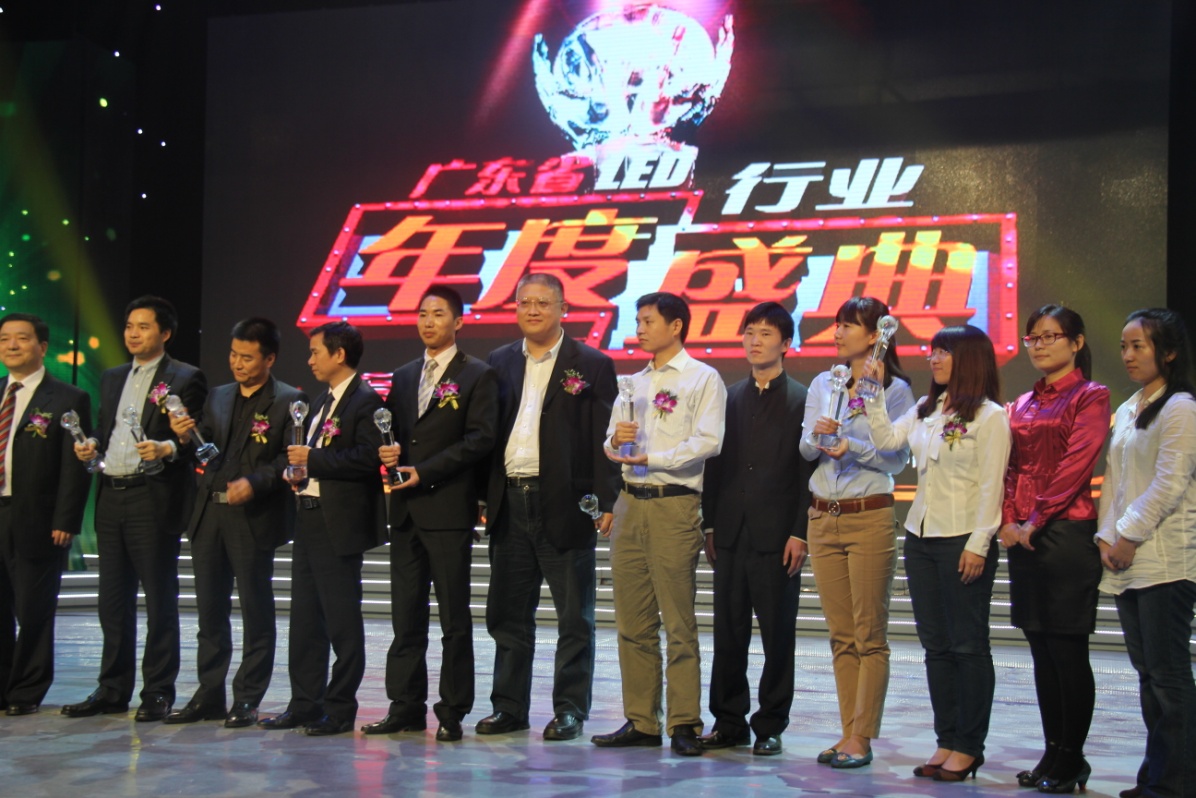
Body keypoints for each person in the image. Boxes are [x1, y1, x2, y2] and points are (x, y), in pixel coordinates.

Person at [862, 324, 1010, 782]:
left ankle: (969, 745)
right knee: (936, 647)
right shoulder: (927, 409)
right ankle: (946, 739)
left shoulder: (990, 417)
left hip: (963, 539)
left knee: (968, 645)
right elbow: (887, 441)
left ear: (970, 359)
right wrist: (873, 393)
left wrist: (979, 544)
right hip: (920, 538)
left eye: (944, 351)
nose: (934, 359)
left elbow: (992, 487)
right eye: (932, 351)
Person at [476, 274, 619, 741]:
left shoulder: (592, 364)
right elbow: (488, 433)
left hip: (566, 503)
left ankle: (570, 709)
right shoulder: (499, 361)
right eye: (524, 303)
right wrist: (483, 495)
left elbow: (602, 437)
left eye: (543, 303)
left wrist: (606, 500)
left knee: (575, 617)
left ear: (563, 309)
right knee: (508, 615)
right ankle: (508, 707)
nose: (533, 310)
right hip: (510, 500)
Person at [591, 291, 726, 757]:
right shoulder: (633, 383)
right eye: (638, 321)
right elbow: (610, 443)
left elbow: (709, 441)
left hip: (675, 504)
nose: (640, 329)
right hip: (630, 503)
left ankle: (684, 721)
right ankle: (641, 720)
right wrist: (617, 441)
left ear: (676, 326)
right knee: (632, 620)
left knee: (678, 621)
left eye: (648, 321)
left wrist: (655, 457)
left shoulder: (702, 378)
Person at [361, 287, 497, 743]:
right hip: (405, 512)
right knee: (406, 616)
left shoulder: (477, 374)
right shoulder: (403, 376)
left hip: (448, 509)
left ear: (458, 322)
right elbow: (395, 433)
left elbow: (480, 439)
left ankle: (453, 709)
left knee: (454, 619)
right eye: (422, 314)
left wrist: (426, 471)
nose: (428, 322)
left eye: (438, 314)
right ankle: (404, 706)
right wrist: (389, 453)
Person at [63, 296, 207, 722]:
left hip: (152, 495)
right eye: (129, 326)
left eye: (143, 327)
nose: (133, 333)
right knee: (112, 600)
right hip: (111, 492)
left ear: (165, 333)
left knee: (159, 598)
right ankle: (112, 689)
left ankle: (158, 692)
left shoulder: (186, 377)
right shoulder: (113, 377)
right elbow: (105, 426)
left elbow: (195, 436)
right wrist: (91, 442)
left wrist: (166, 446)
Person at [164, 318, 307, 728]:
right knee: (210, 611)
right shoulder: (218, 395)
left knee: (255, 609)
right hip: (209, 513)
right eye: (233, 355)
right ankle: (209, 694)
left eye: (247, 357)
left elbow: (287, 458)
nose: (237, 363)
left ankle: (247, 698)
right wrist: (185, 437)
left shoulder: (289, 400)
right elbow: (205, 451)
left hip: (252, 516)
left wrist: (254, 483)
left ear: (269, 358)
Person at [798, 296, 915, 769]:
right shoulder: (824, 382)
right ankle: (847, 731)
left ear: (874, 335)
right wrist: (818, 436)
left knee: (869, 634)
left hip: (869, 514)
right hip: (822, 515)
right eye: (837, 324)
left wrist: (853, 446)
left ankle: (862, 737)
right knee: (841, 635)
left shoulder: (897, 389)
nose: (838, 332)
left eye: (848, 325)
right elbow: (806, 451)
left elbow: (897, 460)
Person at [999, 305, 1109, 792]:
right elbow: (1010, 467)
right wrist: (1009, 520)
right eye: (1033, 338)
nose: (1040, 345)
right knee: (1040, 649)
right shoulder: (1022, 402)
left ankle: (1072, 757)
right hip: (1023, 536)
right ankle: (1052, 752)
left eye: (1051, 336)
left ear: (1076, 343)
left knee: (1066, 650)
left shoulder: (1091, 396)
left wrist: (1035, 520)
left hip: (1065, 533)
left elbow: (1075, 465)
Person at [258, 321, 385, 736]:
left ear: (339, 354)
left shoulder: (365, 400)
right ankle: (304, 704)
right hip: (308, 516)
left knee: (341, 621)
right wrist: (295, 471)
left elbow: (368, 457)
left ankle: (340, 708)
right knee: (305, 619)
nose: (310, 360)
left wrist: (312, 460)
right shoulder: (320, 401)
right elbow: (307, 455)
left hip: (338, 523)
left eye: (316, 352)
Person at [699, 301, 813, 756]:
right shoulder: (727, 397)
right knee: (728, 633)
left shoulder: (803, 400)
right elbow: (713, 466)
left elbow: (806, 474)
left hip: (778, 537)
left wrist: (800, 532)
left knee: (777, 636)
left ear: (786, 344)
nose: (754, 341)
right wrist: (710, 524)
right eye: (749, 332)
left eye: (765, 333)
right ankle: (728, 721)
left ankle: (770, 724)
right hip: (729, 533)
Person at [1097, 308, 1196, 798]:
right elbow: (1114, 480)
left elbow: (1169, 483)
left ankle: (1176, 782)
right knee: (1148, 674)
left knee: (1168, 675)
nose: (1128, 355)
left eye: (1139, 346)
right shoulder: (1130, 406)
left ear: (1169, 352)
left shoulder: (1180, 407)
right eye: (1124, 346)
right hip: (1128, 557)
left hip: (1166, 560)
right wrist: (1105, 535)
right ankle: (1157, 775)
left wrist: (1128, 536)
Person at [0, 313, 91, 715]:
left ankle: (25, 691)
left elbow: (75, 465)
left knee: (34, 609)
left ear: (42, 347)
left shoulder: (67, 398)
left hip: (37, 518)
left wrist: (66, 519)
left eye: (21, 338)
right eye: (5, 338)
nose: (11, 345)